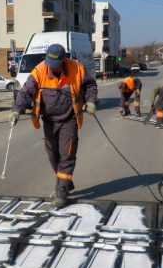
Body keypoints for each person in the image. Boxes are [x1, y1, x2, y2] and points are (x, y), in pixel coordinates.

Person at [8, 44, 98, 208]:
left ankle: (61, 192)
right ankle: (65, 182)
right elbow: (26, 91)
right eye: (49, 63)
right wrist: (16, 110)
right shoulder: (39, 70)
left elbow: (90, 85)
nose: (52, 67)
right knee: (52, 155)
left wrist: (91, 101)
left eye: (55, 64)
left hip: (69, 119)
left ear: (64, 60)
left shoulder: (76, 68)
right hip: (49, 120)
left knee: (67, 155)